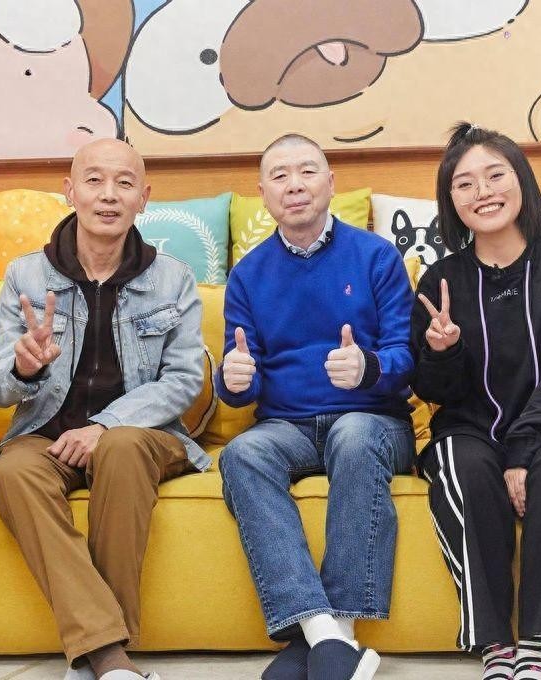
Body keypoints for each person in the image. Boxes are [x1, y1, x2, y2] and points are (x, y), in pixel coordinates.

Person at [0, 138, 208, 680]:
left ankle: (100, 655)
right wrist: (24, 369)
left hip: (145, 435)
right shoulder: (25, 277)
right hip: (48, 433)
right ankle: (111, 659)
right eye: (94, 180)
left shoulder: (172, 278)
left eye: (124, 183)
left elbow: (184, 380)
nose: (109, 195)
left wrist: (106, 425)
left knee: (121, 448)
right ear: (70, 191)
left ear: (143, 198)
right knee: (13, 470)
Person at [411, 122, 541, 680]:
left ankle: (536, 638)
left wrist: (522, 451)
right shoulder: (440, 283)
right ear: (451, 202)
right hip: (473, 431)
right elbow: (436, 393)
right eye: (464, 184)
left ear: (522, 182)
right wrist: (442, 352)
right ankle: (492, 642)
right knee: (456, 464)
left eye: (495, 175)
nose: (482, 192)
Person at [216, 133, 416, 680]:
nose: (295, 185)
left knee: (353, 433)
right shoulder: (248, 275)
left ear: (331, 183)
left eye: (307, 171)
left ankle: (340, 633)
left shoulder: (377, 257)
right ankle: (321, 632)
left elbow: (407, 358)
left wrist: (369, 367)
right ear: (263, 193)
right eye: (279, 175)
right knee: (242, 454)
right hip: (289, 426)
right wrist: (232, 381)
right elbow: (240, 378)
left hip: (375, 422)